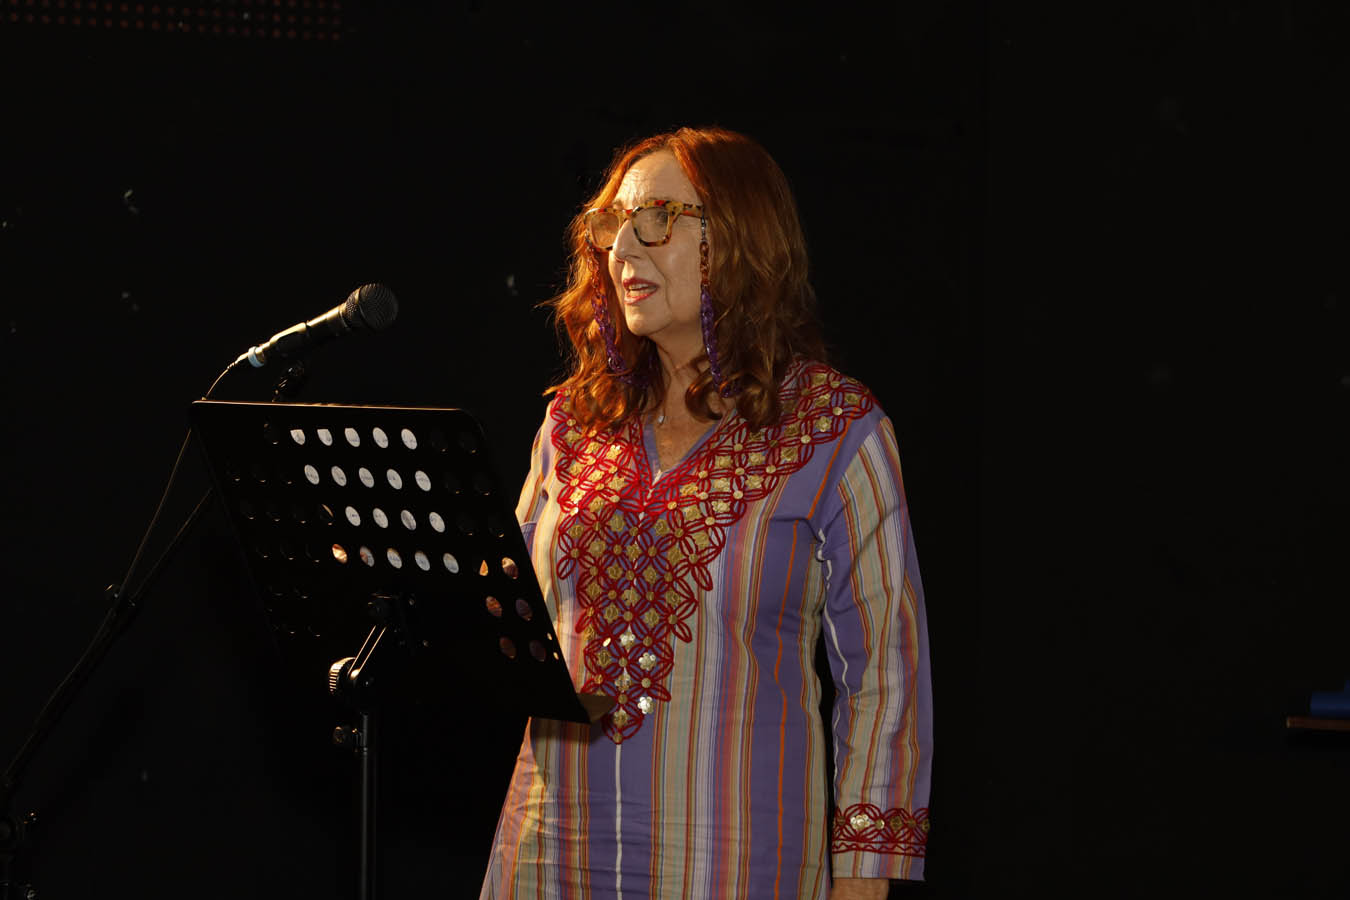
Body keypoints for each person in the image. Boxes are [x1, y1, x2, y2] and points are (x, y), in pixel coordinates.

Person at [480, 126, 932, 900]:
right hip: (549, 854)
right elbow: (510, 610)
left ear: (741, 237)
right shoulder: (572, 425)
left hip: (736, 863)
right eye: (609, 224)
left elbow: (886, 680)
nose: (622, 247)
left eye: (656, 218)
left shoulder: (834, 431)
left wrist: (864, 879)